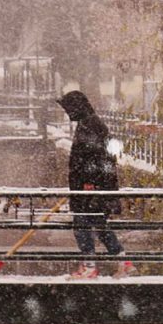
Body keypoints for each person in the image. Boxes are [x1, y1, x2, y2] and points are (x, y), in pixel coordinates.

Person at [56, 90, 134, 278]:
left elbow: (96, 157)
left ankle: (90, 266)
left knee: (81, 223)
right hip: (94, 186)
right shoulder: (89, 123)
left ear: (77, 108)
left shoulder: (89, 126)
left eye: (68, 109)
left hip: (90, 187)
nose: (67, 113)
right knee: (99, 223)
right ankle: (124, 262)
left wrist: (88, 182)